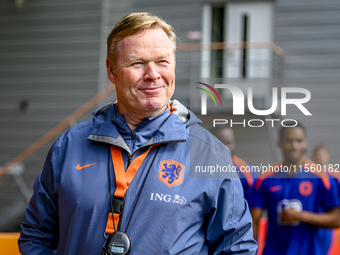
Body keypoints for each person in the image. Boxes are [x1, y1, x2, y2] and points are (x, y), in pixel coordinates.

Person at [18, 13, 257, 254]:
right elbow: (36, 236)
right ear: (112, 71)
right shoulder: (69, 146)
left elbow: (236, 247)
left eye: (162, 61)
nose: (153, 74)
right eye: (137, 63)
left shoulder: (209, 153)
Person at [251, 122, 340, 255]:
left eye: (299, 140)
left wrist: (301, 216)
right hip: (273, 251)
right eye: (289, 141)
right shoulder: (266, 178)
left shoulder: (322, 177)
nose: (294, 146)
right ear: (279, 143)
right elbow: (254, 221)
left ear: (306, 143)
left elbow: (336, 219)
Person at [212, 127, 255, 203]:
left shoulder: (247, 172)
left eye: (228, 143)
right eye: (219, 142)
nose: (224, 147)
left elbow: (252, 207)